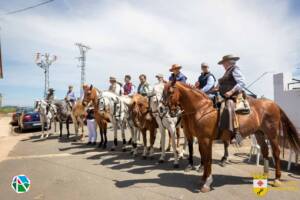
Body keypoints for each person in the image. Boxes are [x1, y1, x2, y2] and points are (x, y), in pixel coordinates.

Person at [216, 54, 246, 145]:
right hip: (224, 96)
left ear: (228, 62)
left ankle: (234, 134)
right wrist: (216, 88)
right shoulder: (227, 71)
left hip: (233, 96)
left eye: (223, 63)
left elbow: (242, 82)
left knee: (228, 108)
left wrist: (231, 91)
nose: (223, 65)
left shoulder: (235, 69)